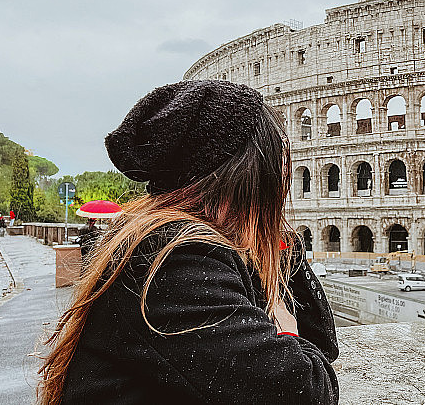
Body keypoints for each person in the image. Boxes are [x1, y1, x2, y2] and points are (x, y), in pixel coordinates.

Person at [38, 80, 339, 404]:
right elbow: (309, 392)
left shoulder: (192, 248)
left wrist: (276, 240)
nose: (281, 184)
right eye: (274, 170)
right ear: (244, 178)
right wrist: (288, 333)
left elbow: (324, 341)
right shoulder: (173, 264)